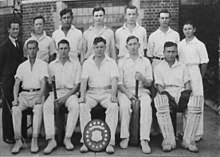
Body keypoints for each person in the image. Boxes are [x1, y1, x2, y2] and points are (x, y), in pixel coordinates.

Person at [154, 41, 203, 153]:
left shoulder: (182, 66)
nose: (171, 54)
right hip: (165, 91)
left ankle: (188, 140)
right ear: (164, 52)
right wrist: (166, 95)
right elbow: (159, 86)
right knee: (161, 101)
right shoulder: (159, 67)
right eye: (168, 52)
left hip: (180, 91)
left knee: (195, 102)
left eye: (173, 52)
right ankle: (168, 140)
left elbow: (187, 83)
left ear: (176, 52)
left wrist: (186, 94)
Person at [79, 37, 119, 154]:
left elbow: (114, 80)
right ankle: (85, 141)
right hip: (91, 93)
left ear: (105, 47)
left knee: (113, 106)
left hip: (106, 92)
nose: (99, 49)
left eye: (102, 47)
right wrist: (82, 96)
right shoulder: (87, 63)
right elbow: (83, 81)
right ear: (93, 48)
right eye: (97, 47)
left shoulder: (111, 62)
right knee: (83, 106)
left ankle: (110, 142)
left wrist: (113, 95)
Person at [43, 39, 81, 154]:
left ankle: (67, 138)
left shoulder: (76, 64)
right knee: (47, 107)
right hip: (55, 92)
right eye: (61, 49)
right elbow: (48, 84)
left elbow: (77, 85)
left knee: (75, 106)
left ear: (69, 49)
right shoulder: (51, 66)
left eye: (65, 48)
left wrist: (66, 97)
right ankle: (51, 139)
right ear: (57, 50)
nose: (63, 51)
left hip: (70, 93)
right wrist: (50, 83)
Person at [11, 40, 48, 154]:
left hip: (37, 94)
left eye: (33, 48)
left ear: (37, 49)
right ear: (27, 50)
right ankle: (18, 140)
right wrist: (16, 99)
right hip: (24, 95)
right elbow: (17, 84)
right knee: (15, 110)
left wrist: (40, 97)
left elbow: (44, 83)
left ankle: (34, 140)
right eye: (29, 49)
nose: (31, 51)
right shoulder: (22, 66)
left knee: (38, 108)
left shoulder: (42, 64)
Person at [118, 36, 153, 154]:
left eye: (135, 44)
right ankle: (125, 137)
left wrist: (142, 78)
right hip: (125, 91)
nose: (133, 47)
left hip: (142, 90)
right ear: (126, 47)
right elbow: (119, 83)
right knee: (124, 106)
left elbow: (149, 82)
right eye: (130, 44)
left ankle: (144, 139)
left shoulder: (146, 61)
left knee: (147, 105)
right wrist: (128, 95)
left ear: (139, 45)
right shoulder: (122, 62)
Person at [178, 21, 209, 141]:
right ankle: (187, 131)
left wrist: (199, 76)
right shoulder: (180, 44)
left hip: (195, 71)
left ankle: (197, 133)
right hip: (183, 72)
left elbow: (204, 62)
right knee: (186, 100)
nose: (187, 31)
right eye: (185, 29)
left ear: (194, 29)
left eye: (189, 29)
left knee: (197, 100)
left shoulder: (199, 44)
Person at [0, 19, 23, 144]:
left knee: (17, 107)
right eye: (13, 29)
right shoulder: (4, 46)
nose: (15, 31)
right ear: (8, 30)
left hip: (18, 81)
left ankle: (19, 133)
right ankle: (8, 135)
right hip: (8, 82)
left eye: (17, 29)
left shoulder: (19, 44)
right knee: (7, 109)